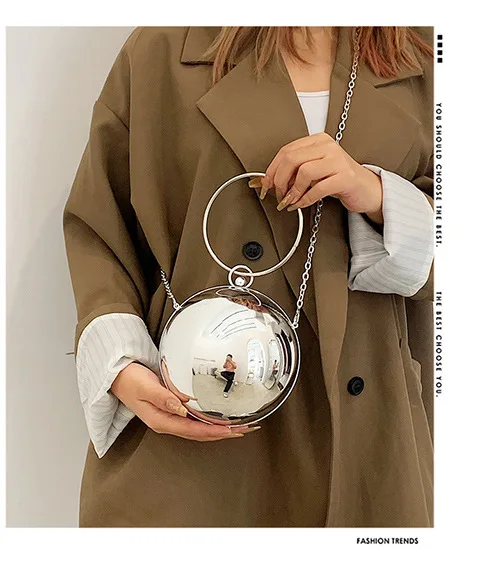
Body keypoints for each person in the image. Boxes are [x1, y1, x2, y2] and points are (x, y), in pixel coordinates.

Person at [63, 26, 434, 527]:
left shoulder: (425, 55)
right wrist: (120, 366)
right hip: (190, 427)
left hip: (370, 436)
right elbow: (100, 227)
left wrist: (378, 196)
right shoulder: (163, 51)